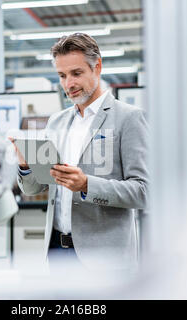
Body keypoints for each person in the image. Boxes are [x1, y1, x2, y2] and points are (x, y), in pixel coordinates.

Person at [12, 33, 148, 273]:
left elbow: (143, 192)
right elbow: (35, 188)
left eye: (76, 73)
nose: (68, 84)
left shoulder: (128, 118)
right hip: (57, 251)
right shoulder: (56, 122)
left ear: (97, 67)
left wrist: (86, 185)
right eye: (62, 76)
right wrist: (25, 165)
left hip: (105, 258)